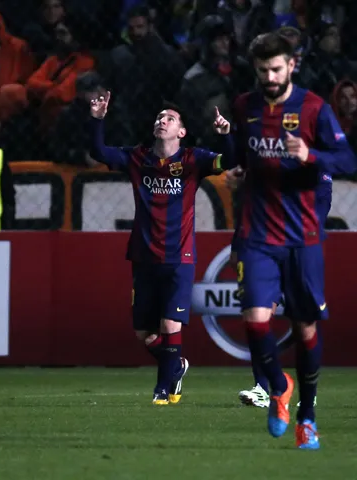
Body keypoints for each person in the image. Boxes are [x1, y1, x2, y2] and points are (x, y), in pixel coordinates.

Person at [230, 32, 357, 449]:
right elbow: (240, 154)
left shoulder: (314, 109)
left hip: (302, 236)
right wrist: (235, 172)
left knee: (304, 328)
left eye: (275, 69)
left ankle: (307, 416)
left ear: (291, 66)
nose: (269, 77)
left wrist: (310, 155)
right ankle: (278, 384)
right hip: (257, 233)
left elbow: (347, 159)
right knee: (254, 319)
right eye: (262, 70)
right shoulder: (244, 106)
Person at [88, 92, 232, 405]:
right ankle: (175, 366)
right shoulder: (137, 158)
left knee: (170, 324)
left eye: (170, 118)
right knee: (145, 334)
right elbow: (98, 152)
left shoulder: (193, 160)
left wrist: (226, 135)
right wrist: (97, 120)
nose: (162, 121)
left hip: (180, 256)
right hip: (143, 256)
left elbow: (228, 161)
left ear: (181, 131)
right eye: (159, 117)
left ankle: (162, 390)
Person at [228, 168, 331, 409]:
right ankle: (263, 387)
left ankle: (308, 395)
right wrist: (237, 243)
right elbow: (250, 202)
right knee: (259, 317)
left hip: (300, 245)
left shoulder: (314, 162)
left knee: (304, 325)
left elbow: (320, 204)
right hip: (262, 243)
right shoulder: (261, 156)